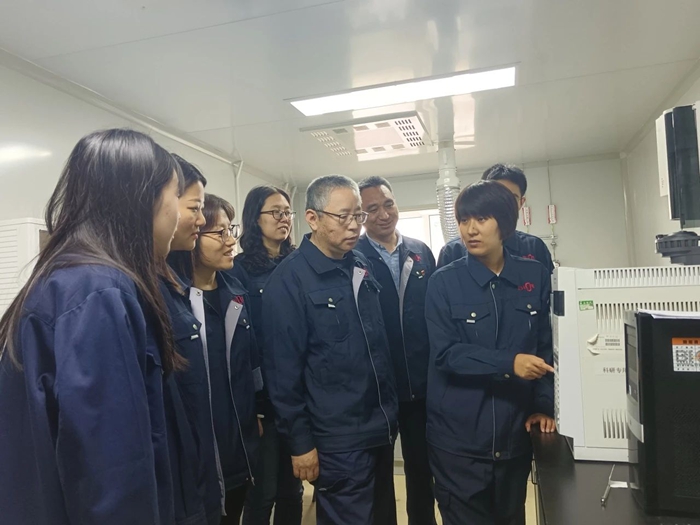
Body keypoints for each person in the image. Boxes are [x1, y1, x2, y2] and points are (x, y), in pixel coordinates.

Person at [0, 129, 183, 524]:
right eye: (176, 196)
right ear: (144, 198)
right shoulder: (98, 293)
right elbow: (111, 473)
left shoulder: (71, 278)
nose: (180, 215)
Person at [262, 175, 399, 525]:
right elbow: (282, 374)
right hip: (337, 440)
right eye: (343, 217)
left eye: (358, 216)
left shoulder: (360, 265)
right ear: (313, 218)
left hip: (378, 428)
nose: (354, 225)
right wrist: (301, 443)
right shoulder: (289, 281)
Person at [425, 180, 556, 525]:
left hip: (515, 436)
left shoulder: (534, 275)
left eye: (481, 219)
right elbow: (446, 354)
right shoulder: (443, 283)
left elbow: (546, 347)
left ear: (505, 222)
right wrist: (509, 363)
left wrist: (543, 406)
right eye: (464, 220)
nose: (470, 229)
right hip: (459, 442)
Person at [173, 193, 264, 524]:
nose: (231, 241)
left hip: (237, 442)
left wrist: (257, 412)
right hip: (197, 451)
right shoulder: (174, 299)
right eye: (220, 233)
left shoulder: (236, 293)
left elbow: (251, 361)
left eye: (231, 230)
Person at [356, 176, 438, 525]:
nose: (383, 214)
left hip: (420, 387)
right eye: (372, 209)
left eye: (388, 204)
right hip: (377, 391)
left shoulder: (421, 252)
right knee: (378, 478)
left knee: (422, 470)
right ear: (360, 216)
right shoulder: (353, 257)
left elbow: (436, 315)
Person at [229, 186, 304, 525]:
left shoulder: (298, 263)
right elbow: (242, 342)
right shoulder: (239, 269)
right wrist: (254, 403)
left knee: (293, 489)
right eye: (275, 212)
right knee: (263, 491)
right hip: (265, 399)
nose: (283, 218)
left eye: (287, 212)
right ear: (254, 218)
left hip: (299, 393)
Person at [162, 154, 223, 524]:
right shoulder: (121, 291)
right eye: (194, 208)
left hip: (196, 476)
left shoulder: (172, 287)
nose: (201, 220)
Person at [437, 164, 554, 272]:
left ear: (521, 202)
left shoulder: (534, 247)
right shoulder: (453, 251)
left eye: (511, 198)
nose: (503, 204)